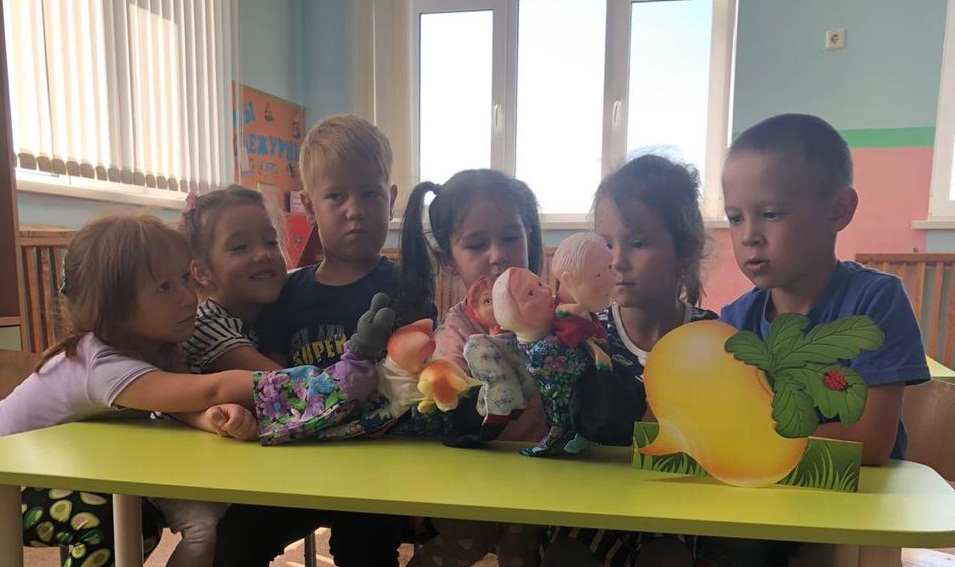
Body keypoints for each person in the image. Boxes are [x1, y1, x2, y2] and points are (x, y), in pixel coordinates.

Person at [701, 113, 930, 566]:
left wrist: (752, 444)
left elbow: (869, 442)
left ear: (838, 210)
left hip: (855, 508)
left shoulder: (874, 301)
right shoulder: (734, 321)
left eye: (771, 214)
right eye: (735, 218)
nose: (749, 236)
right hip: (761, 505)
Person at [214, 114, 435, 567]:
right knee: (235, 534)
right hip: (301, 459)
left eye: (370, 193)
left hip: (378, 460)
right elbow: (271, 379)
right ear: (311, 207)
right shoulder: (289, 293)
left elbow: (420, 383)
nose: (355, 209)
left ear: (391, 199)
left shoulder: (406, 288)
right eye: (336, 196)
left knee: (362, 545)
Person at [0, 214, 262, 567]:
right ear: (113, 306)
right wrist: (305, 383)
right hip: (10, 481)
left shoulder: (159, 345)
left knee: (182, 524)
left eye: (185, 278)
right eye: (164, 288)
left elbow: (184, 403)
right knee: (108, 525)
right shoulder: (102, 364)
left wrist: (212, 419)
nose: (188, 297)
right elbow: (211, 390)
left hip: (65, 470)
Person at [541, 154, 717, 567]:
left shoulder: (710, 338)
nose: (616, 260)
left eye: (637, 243)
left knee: (668, 559)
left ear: (685, 250)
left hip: (673, 501)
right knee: (566, 556)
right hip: (590, 498)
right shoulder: (585, 334)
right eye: (606, 243)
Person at [399, 169, 549, 567]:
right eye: (477, 244)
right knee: (466, 539)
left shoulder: (548, 314)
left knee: (525, 548)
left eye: (511, 238)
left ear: (529, 238)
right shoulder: (457, 329)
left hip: (541, 474)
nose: (498, 255)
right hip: (473, 472)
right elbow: (445, 380)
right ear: (448, 260)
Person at [180, 184, 287, 375]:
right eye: (240, 247)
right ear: (202, 272)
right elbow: (285, 382)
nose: (264, 254)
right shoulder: (204, 326)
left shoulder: (270, 310)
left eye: (271, 242)